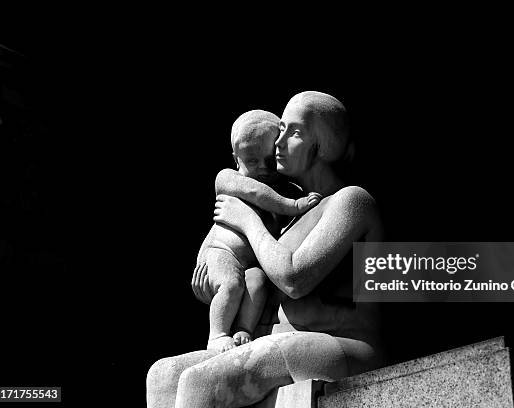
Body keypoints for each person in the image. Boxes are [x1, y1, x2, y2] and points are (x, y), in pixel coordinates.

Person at [146, 91, 385, 408]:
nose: (279, 142)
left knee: (199, 382)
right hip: (280, 338)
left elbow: (294, 279)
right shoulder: (286, 218)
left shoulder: (350, 200)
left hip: (346, 343)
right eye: (281, 129)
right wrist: (219, 280)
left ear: (323, 145)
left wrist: (246, 220)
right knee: (163, 374)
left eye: (294, 132)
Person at [195, 109, 321, 352]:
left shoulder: (284, 188)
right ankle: (217, 334)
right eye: (252, 161)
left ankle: (244, 327)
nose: (264, 167)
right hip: (220, 253)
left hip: (250, 262)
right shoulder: (227, 178)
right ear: (236, 159)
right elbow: (259, 194)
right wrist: (294, 205)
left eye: (270, 159)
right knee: (230, 285)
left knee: (257, 281)